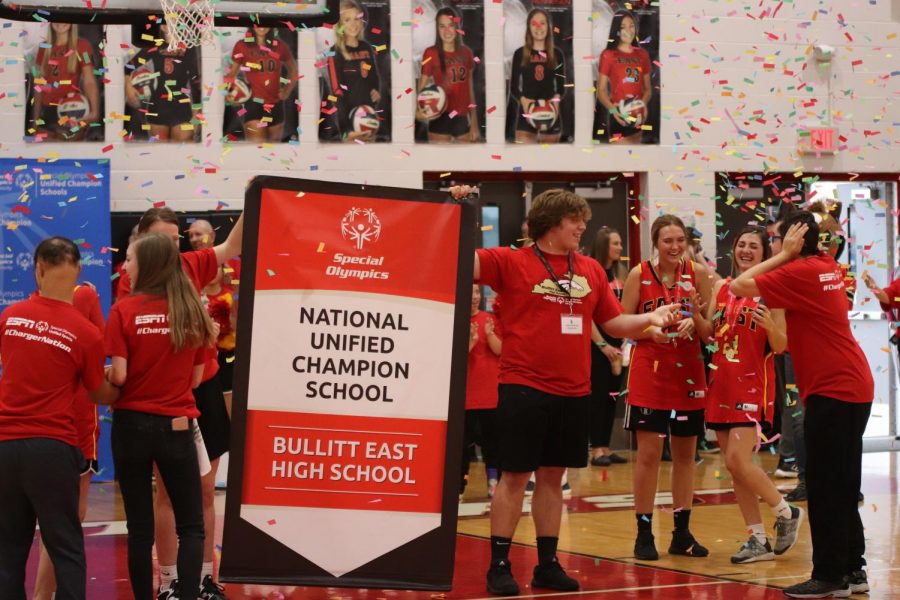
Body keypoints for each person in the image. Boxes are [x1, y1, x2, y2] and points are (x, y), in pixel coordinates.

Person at [452, 185, 680, 596]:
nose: (582, 227)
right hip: (523, 388)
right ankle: (500, 565)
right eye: (575, 220)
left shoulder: (590, 268)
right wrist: (458, 209)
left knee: (553, 478)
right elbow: (458, 261)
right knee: (514, 478)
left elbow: (613, 324)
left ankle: (548, 563)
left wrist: (653, 319)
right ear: (552, 223)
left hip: (574, 391)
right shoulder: (509, 260)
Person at [731, 212, 872, 598]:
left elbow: (740, 285)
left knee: (826, 487)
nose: (773, 245)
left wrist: (784, 255)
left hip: (833, 390)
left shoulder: (800, 270)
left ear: (795, 240)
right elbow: (792, 337)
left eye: (777, 239)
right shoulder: (827, 266)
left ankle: (829, 576)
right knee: (842, 485)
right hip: (854, 385)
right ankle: (854, 570)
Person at [118, 207, 242, 599]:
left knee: (205, 491)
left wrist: (252, 195)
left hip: (201, 389)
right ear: (142, 243)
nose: (172, 246)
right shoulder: (131, 281)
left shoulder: (191, 264)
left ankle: (204, 578)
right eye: (163, 240)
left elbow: (234, 245)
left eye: (176, 239)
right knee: (169, 494)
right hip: (166, 398)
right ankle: (171, 581)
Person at [0, 237, 118, 600]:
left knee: (9, 550)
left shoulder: (9, 317)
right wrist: (122, 389)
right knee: (65, 546)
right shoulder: (85, 333)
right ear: (79, 273)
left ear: (37, 268)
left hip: (5, 446)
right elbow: (98, 393)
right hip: (53, 448)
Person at [107, 232, 218, 600]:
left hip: (130, 427)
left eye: (131, 260)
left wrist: (107, 377)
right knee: (192, 527)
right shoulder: (190, 309)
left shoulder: (123, 309)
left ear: (148, 264)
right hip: (176, 425)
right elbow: (197, 377)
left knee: (139, 529)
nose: (125, 267)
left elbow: (119, 375)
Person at [695, 226, 803, 564]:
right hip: (720, 384)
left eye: (752, 246)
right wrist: (694, 312)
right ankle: (757, 539)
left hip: (753, 384)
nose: (745, 250)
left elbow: (783, 344)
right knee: (735, 470)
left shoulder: (773, 291)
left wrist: (770, 324)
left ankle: (786, 512)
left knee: (737, 460)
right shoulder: (723, 288)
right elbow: (710, 335)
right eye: (741, 244)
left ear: (763, 253)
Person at [621, 214, 712, 561]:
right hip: (650, 373)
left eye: (680, 241)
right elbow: (624, 326)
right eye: (667, 241)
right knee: (648, 455)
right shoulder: (639, 275)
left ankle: (681, 532)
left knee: (686, 457)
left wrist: (696, 318)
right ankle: (644, 533)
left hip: (688, 372)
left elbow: (710, 334)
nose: (674, 247)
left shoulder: (699, 274)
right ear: (655, 244)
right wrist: (650, 330)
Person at [33, 283, 105, 600]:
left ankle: (43, 594)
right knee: (67, 518)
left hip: (49, 424)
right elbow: (102, 352)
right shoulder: (84, 294)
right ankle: (43, 594)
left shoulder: (26, 310)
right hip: (71, 423)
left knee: (59, 517)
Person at [588, 227, 627, 466]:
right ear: (604, 245)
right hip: (596, 345)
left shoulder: (620, 273)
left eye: (621, 243)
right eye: (616, 243)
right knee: (598, 397)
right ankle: (595, 449)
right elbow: (587, 315)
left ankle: (606, 446)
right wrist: (603, 345)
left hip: (618, 345)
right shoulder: (592, 273)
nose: (620, 248)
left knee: (613, 397)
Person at [125, 22, 201, 142]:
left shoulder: (188, 47)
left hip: (181, 107)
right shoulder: (155, 45)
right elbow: (128, 66)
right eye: (169, 23)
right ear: (162, 27)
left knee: (184, 152)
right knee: (158, 154)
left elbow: (195, 81)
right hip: (157, 106)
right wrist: (128, 87)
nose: (173, 26)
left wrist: (197, 112)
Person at [461, 285, 501, 500]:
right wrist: (470, 342)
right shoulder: (455, 319)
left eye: (477, 292)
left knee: (492, 447)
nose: (474, 296)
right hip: (464, 397)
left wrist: (490, 334)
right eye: (471, 291)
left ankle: (494, 483)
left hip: (490, 396)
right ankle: (459, 486)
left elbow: (500, 350)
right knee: (461, 449)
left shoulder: (490, 319)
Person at [416, 7, 479, 143]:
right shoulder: (430, 53)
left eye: (450, 25)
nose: (447, 31)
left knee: (467, 163)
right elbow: (421, 88)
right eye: (442, 26)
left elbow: (469, 90)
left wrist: (474, 123)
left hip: (462, 118)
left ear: (457, 27)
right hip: (440, 118)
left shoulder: (466, 53)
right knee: (440, 163)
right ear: (437, 29)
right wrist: (419, 111)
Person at [224, 26, 298, 142]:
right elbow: (230, 75)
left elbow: (294, 70)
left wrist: (286, 92)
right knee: (257, 152)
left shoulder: (279, 45)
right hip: (254, 105)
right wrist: (228, 94)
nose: (262, 27)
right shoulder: (242, 45)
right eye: (258, 24)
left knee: (273, 154)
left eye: (266, 23)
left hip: (276, 106)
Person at [30, 23, 100, 141]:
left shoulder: (82, 46)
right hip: (48, 112)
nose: (60, 23)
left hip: (71, 109)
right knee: (48, 155)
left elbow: (89, 80)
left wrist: (94, 112)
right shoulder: (44, 47)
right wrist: (35, 121)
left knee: (69, 150)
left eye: (65, 20)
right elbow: (38, 85)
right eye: (56, 19)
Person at [325, 0, 382, 142]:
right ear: (340, 25)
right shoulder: (334, 52)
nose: (353, 24)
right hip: (349, 120)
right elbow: (336, 92)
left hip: (368, 115)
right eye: (347, 20)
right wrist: (346, 130)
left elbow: (374, 77)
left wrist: (376, 90)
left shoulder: (366, 47)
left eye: (357, 18)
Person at [508, 8, 566, 143]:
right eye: (534, 24)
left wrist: (555, 103)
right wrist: (524, 102)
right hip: (526, 111)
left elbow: (561, 88)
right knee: (524, 161)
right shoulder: (519, 54)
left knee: (550, 161)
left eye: (542, 23)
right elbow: (514, 87)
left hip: (550, 112)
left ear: (548, 26)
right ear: (528, 27)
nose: (538, 27)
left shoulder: (557, 54)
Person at [596, 11, 651, 144]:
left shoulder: (642, 54)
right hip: (619, 115)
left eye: (631, 25)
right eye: (623, 26)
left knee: (635, 161)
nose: (628, 30)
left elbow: (648, 89)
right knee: (620, 161)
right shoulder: (608, 54)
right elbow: (601, 90)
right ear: (617, 30)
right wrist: (612, 109)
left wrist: (642, 105)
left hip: (638, 114)